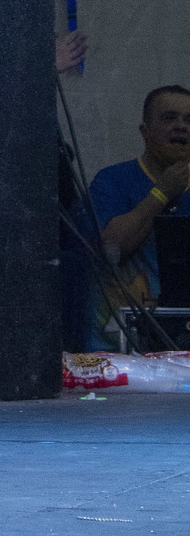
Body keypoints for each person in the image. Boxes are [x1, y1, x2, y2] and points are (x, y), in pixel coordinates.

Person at [85, 85, 190, 344]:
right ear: (145, 131)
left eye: (189, 120)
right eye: (169, 118)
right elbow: (112, 250)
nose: (181, 126)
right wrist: (162, 193)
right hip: (121, 345)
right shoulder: (112, 181)